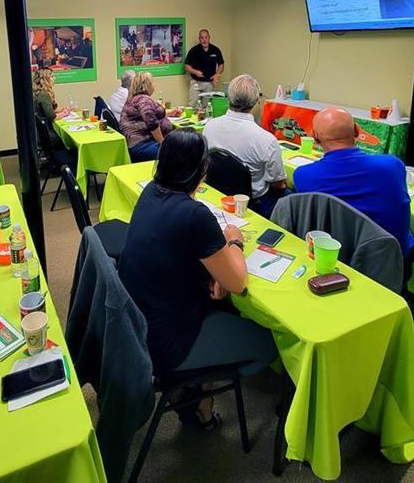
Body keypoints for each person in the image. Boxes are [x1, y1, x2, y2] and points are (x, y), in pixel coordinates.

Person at [118, 129, 277, 425]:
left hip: (138, 326)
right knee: (267, 343)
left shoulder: (151, 191)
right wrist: (234, 241)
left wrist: (210, 272)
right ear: (202, 170)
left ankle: (196, 393)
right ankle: (199, 396)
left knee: (219, 297)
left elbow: (170, 250)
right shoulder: (195, 215)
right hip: (168, 344)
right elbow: (238, 282)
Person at [294, 107, 414, 270]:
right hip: (393, 264)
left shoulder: (303, 176)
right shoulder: (393, 165)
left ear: (315, 137)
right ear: (357, 130)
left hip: (338, 263)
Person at [203, 74, 288, 218]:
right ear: (256, 101)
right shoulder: (266, 140)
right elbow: (278, 185)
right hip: (254, 202)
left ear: (228, 98)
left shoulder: (209, 126)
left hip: (218, 191)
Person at [119, 72, 174, 162]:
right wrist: (162, 143)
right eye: (152, 82)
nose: (154, 85)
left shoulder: (134, 98)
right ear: (147, 85)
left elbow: (148, 115)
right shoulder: (144, 99)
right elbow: (152, 123)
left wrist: (168, 114)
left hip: (136, 144)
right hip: (143, 145)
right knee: (180, 151)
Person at [184, 29, 225, 105]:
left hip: (209, 83)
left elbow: (221, 64)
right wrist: (195, 72)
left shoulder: (215, 50)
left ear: (209, 38)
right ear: (199, 39)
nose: (204, 40)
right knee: (192, 105)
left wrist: (217, 74)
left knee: (207, 106)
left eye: (206, 37)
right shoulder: (194, 50)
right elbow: (186, 66)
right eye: (202, 38)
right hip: (196, 82)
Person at [32, 67, 71, 149]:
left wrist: (60, 111)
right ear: (45, 79)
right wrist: (65, 113)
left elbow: (48, 111)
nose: (54, 78)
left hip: (37, 132)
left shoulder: (37, 92)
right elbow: (51, 116)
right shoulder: (43, 94)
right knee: (67, 140)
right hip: (44, 134)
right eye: (52, 76)